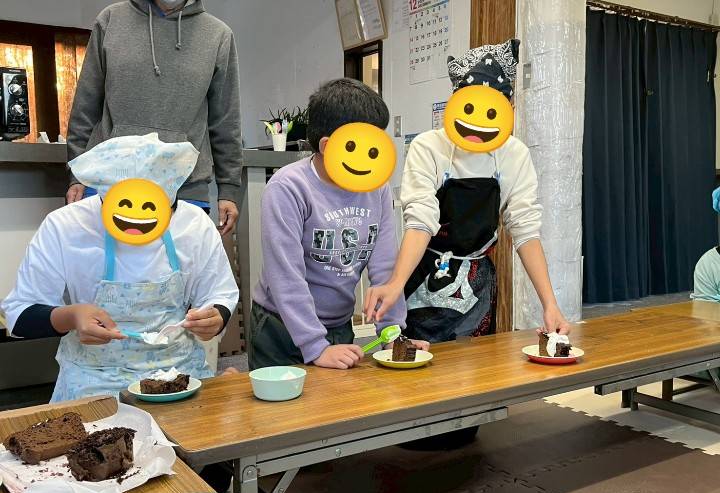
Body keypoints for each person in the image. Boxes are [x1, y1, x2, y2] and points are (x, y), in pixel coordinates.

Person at [362, 40, 568, 449]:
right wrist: (395, 282)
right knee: (419, 367)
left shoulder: (514, 154)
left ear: (509, 107)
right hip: (426, 270)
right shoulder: (430, 146)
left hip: (476, 276)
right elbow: (420, 221)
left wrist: (550, 303)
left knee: (470, 376)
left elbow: (525, 229)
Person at [1, 134, 238, 402]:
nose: (140, 221)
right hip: (93, 381)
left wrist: (215, 318)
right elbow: (20, 315)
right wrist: (71, 316)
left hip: (178, 375)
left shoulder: (193, 223)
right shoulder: (66, 225)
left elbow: (220, 293)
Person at [249, 78, 428, 370]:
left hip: (339, 325)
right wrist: (315, 347)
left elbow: (384, 267)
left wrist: (393, 335)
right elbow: (286, 276)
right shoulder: (287, 187)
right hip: (282, 328)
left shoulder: (377, 188)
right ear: (327, 146)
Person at [65, 0, 241, 235]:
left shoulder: (219, 35)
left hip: (184, 189)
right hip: (106, 183)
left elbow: (226, 119)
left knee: (181, 261)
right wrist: (76, 175)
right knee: (101, 260)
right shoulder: (110, 20)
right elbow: (85, 105)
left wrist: (228, 189)